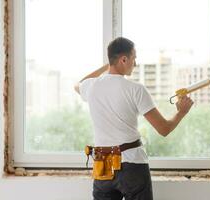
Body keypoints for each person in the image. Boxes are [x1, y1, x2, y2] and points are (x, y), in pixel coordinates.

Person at [74, 37, 193, 200]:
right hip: (132, 165)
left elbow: (78, 84)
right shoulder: (136, 89)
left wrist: (108, 65)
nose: (135, 64)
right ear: (124, 59)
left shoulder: (91, 86)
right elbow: (163, 129)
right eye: (133, 58)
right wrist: (181, 112)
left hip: (103, 165)